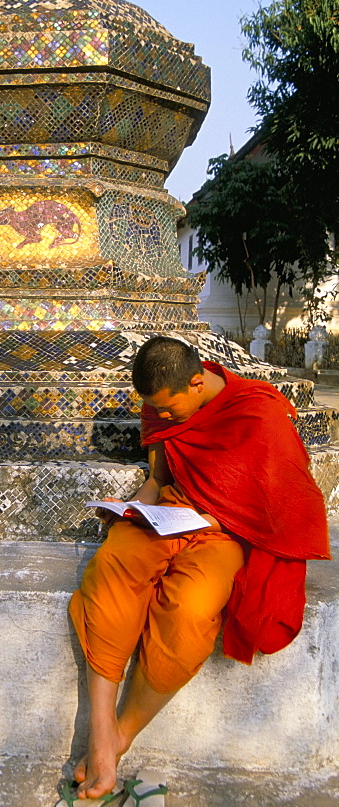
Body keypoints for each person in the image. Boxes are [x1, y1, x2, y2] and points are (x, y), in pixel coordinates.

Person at [68, 335, 331, 800]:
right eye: (155, 412)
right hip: (170, 513)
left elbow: (282, 504)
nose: (161, 419)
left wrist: (216, 514)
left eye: (168, 411)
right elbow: (158, 478)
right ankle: (99, 724)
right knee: (112, 565)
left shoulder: (257, 412)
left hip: (225, 531)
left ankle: (117, 737)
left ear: (196, 382)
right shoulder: (165, 401)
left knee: (190, 610)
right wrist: (132, 507)